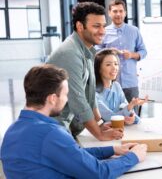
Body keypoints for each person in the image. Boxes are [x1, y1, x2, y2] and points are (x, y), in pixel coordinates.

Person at [0, 65, 147, 178]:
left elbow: (72, 154)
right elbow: (99, 173)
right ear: (52, 98)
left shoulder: (14, 129)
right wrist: (133, 157)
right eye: (65, 94)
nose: (67, 99)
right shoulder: (50, 134)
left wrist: (113, 150)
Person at [47, 2, 121, 141]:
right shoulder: (70, 53)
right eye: (96, 26)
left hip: (67, 128)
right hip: (54, 129)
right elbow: (78, 99)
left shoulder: (87, 50)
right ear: (80, 26)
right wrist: (99, 134)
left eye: (103, 26)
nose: (102, 31)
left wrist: (100, 124)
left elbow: (90, 95)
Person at [96, 0, 147, 114]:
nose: (118, 14)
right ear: (109, 13)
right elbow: (95, 52)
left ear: (125, 13)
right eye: (114, 11)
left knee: (132, 116)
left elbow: (143, 51)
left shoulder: (134, 31)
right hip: (109, 84)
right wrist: (108, 50)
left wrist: (132, 54)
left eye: (120, 11)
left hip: (130, 83)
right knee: (112, 116)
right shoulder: (103, 32)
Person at [94, 48, 147, 124]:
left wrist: (132, 117)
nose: (114, 68)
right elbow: (110, 117)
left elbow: (124, 106)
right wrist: (130, 106)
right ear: (98, 68)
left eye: (116, 64)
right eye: (108, 64)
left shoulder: (116, 86)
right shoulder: (94, 93)